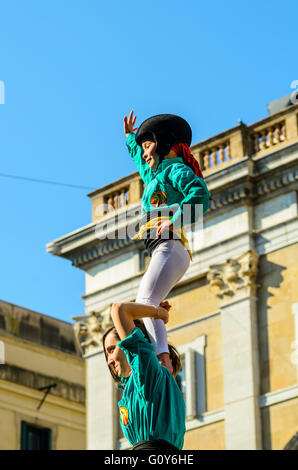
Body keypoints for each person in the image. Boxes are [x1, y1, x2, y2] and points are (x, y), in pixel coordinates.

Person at [123, 111, 210, 372]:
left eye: (148, 145)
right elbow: (140, 159)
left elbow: (201, 196)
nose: (145, 152)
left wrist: (176, 220)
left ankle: (163, 359)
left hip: (170, 246)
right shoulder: (154, 176)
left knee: (145, 304)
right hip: (163, 249)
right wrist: (130, 137)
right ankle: (160, 355)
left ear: (165, 145)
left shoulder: (175, 169)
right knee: (146, 304)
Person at [103, 301, 186, 451]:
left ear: (127, 345)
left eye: (111, 349)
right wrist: (153, 320)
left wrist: (159, 313)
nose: (108, 361)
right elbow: (162, 355)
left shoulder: (147, 378)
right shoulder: (155, 378)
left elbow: (119, 309)